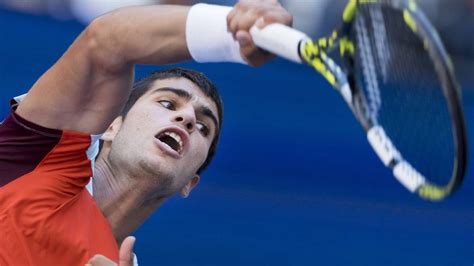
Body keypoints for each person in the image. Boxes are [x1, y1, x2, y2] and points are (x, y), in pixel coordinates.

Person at [0, 0, 292, 265]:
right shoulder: (40, 154)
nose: (188, 117)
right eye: (167, 103)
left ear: (189, 184)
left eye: (204, 127)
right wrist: (231, 31)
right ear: (111, 127)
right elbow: (108, 40)